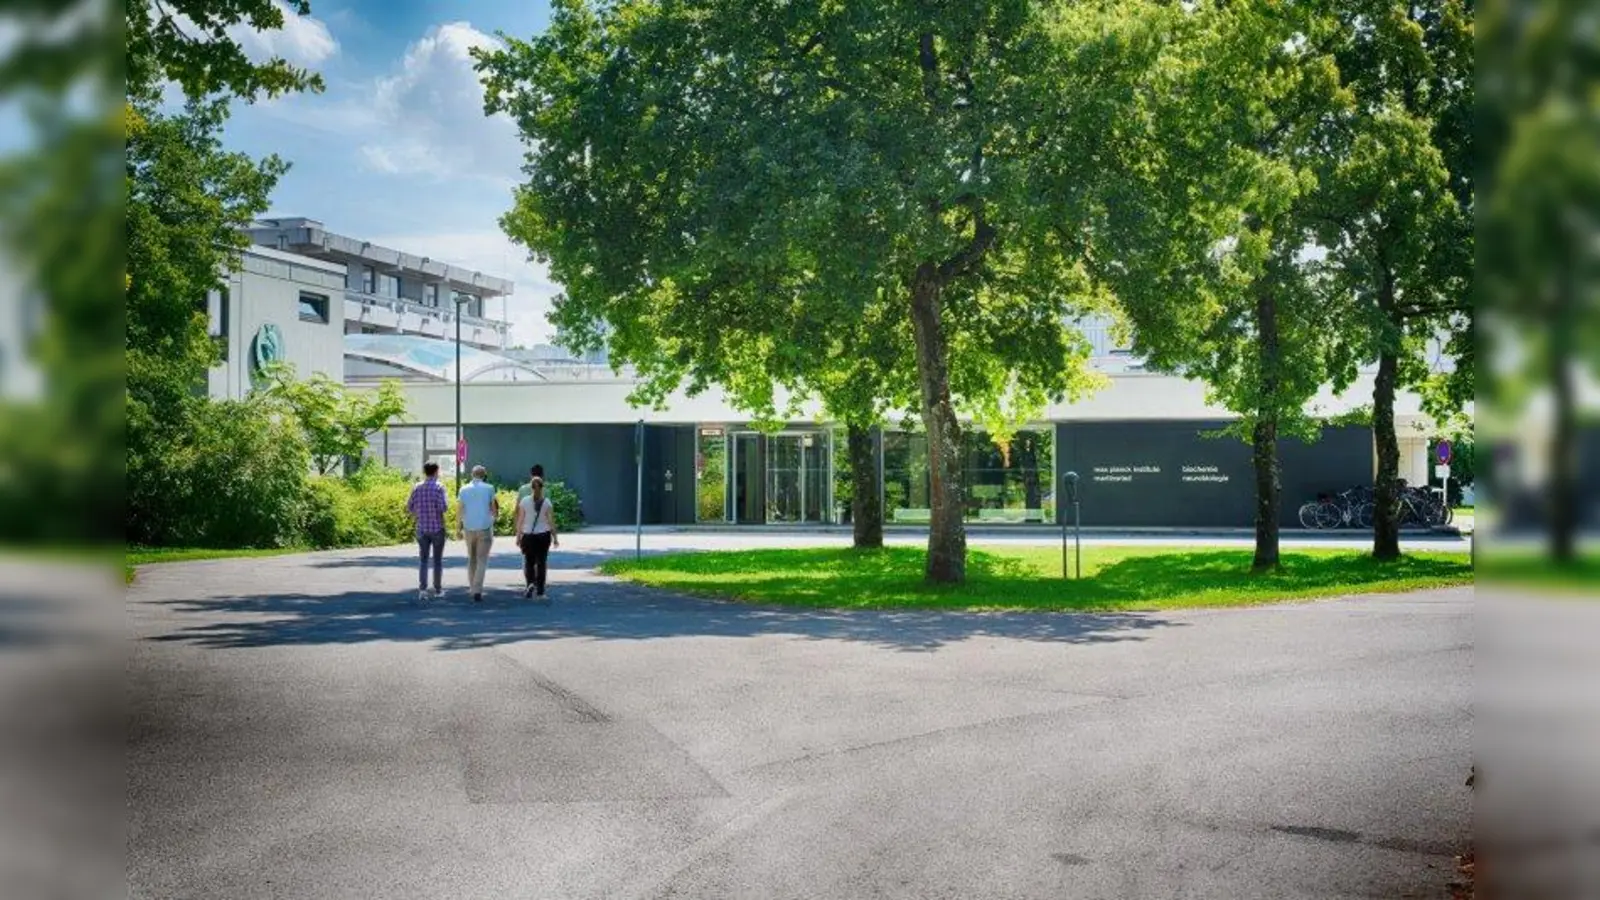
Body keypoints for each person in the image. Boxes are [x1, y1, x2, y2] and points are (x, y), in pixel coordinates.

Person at [405, 462, 449, 601]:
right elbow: (443, 507)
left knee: (423, 560)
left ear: (424, 472)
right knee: (437, 561)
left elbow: (409, 506)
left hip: (422, 528)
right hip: (437, 527)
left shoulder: (417, 487)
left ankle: (423, 590)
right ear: (436, 471)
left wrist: (419, 513)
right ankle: (438, 590)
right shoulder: (439, 487)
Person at [456, 465, 499, 603]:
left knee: (472, 558)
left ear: (472, 475)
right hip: (484, 527)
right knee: (482, 559)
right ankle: (477, 590)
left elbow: (460, 510)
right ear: (484, 475)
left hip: (468, 527)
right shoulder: (489, 488)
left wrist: (458, 528)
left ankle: (472, 588)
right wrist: (493, 519)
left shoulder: (463, 489)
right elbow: (493, 508)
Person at [514, 475, 559, 600]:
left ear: (531, 487)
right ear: (542, 488)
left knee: (529, 562)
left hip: (528, 535)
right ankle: (540, 592)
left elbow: (520, 520)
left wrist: (518, 536)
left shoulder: (524, 501)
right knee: (541, 563)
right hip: (543, 535)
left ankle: (530, 584)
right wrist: (555, 537)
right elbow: (551, 522)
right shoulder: (547, 502)